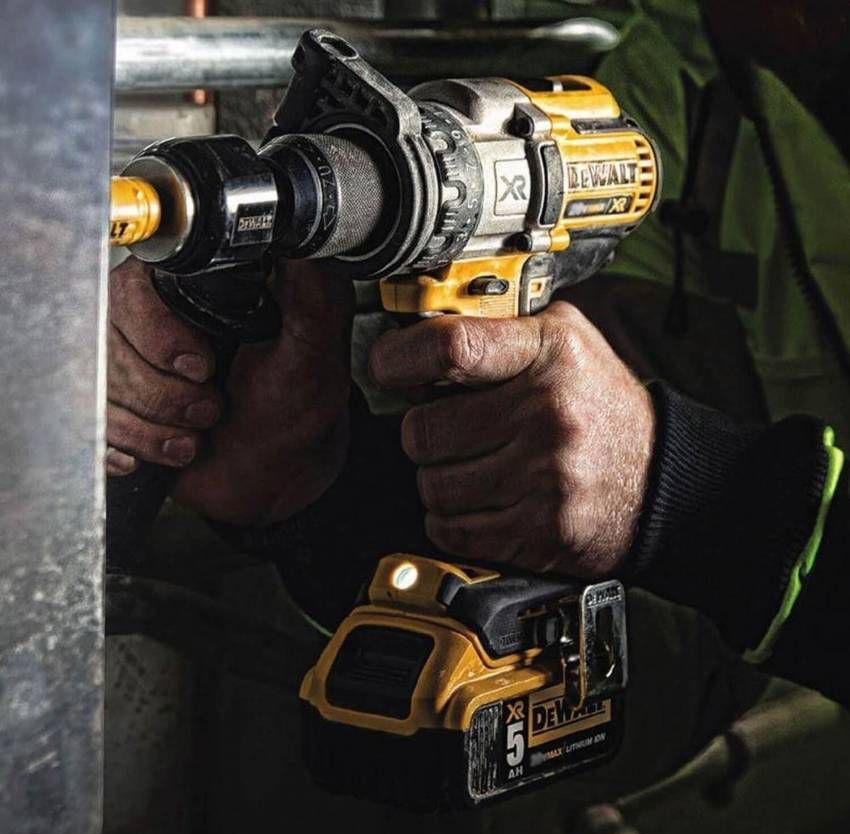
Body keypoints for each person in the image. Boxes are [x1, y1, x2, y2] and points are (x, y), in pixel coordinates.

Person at [106, 0, 848, 706]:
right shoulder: (679, 72)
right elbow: (648, 652)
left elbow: (665, 531)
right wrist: (312, 491)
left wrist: (688, 495)